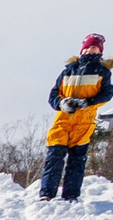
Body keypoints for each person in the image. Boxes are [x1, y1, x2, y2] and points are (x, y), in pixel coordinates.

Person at [42, 33, 110, 202]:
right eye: (87, 47)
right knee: (54, 158)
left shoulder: (102, 72)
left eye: (93, 47)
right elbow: (53, 95)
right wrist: (62, 102)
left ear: (99, 51)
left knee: (77, 161)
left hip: (83, 122)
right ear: (82, 50)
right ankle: (46, 194)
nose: (89, 50)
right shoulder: (68, 71)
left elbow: (107, 94)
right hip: (62, 121)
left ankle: (71, 195)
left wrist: (88, 102)